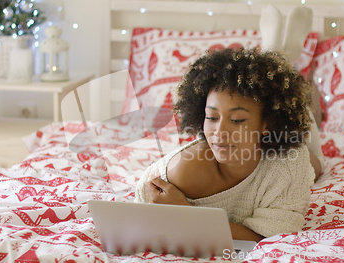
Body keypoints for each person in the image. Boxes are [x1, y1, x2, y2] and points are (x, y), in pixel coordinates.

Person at [135, 48, 315, 242]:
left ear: (267, 123)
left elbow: (274, 237)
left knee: (316, 163)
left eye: (237, 120)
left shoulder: (289, 164)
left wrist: (187, 214)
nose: (219, 132)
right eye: (211, 117)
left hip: (282, 149)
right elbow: (142, 217)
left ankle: (283, 49)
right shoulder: (184, 173)